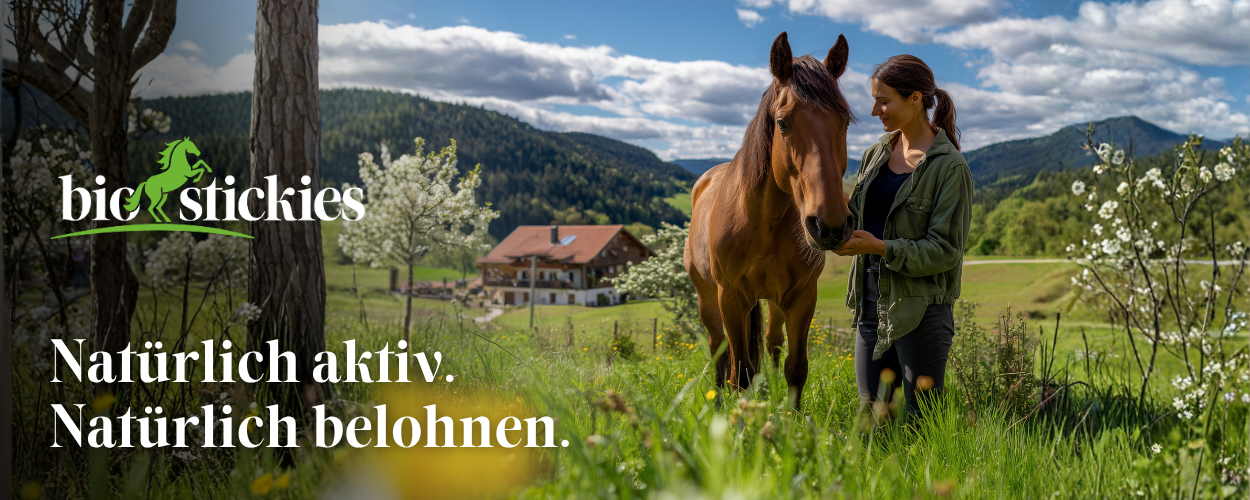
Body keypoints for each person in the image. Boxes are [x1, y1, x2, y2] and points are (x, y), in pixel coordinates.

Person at [831, 54, 974, 417]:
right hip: (869, 299)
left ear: (915, 99)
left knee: (921, 419)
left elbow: (945, 252)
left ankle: (933, 477)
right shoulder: (875, 154)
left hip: (921, 307)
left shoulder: (949, 167)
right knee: (874, 414)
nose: (875, 110)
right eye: (875, 99)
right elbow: (859, 214)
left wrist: (879, 247)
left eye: (884, 100)